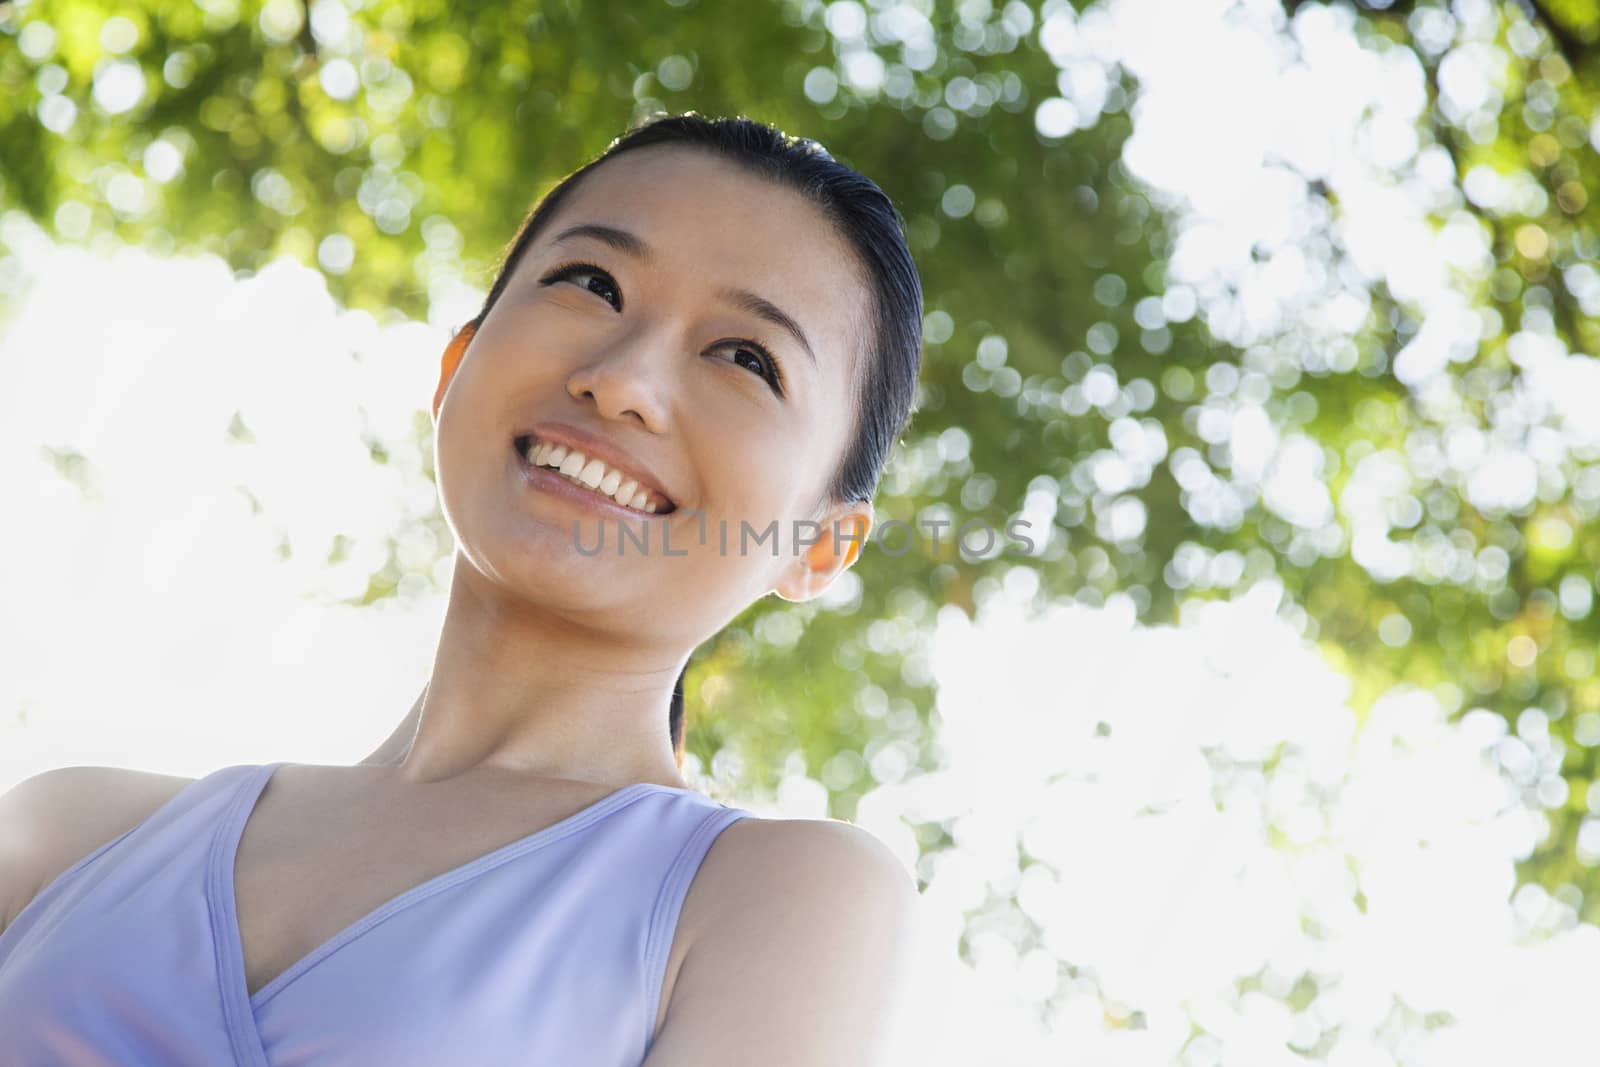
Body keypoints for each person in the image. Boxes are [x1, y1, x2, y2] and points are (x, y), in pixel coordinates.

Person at [0, 111, 925, 1065]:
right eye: (592, 283)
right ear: (454, 367)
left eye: (746, 358)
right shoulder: (65, 832)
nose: (624, 382)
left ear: (818, 545)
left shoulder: (775, 896)